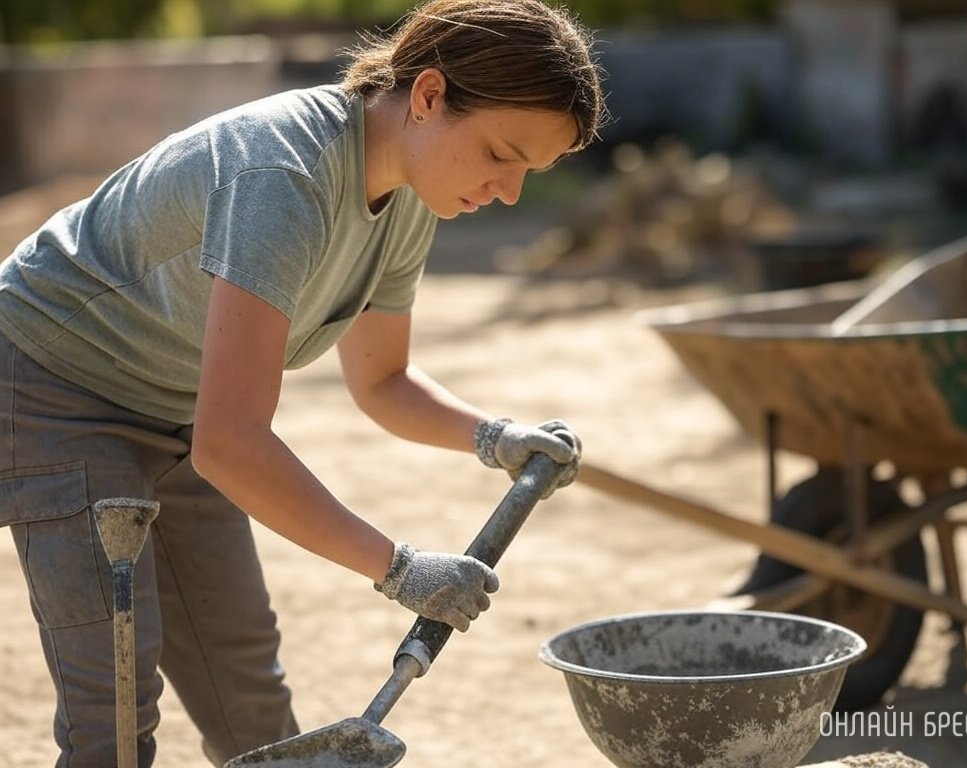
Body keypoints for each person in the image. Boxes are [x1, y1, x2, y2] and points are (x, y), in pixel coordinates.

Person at [0, 0, 606, 765]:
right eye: (501, 153)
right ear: (427, 96)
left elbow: (383, 381)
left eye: (530, 171)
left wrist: (495, 439)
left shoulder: (413, 193)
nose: (510, 191)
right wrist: (401, 569)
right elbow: (231, 442)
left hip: (175, 405)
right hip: (52, 382)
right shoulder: (281, 177)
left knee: (248, 696)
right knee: (113, 716)